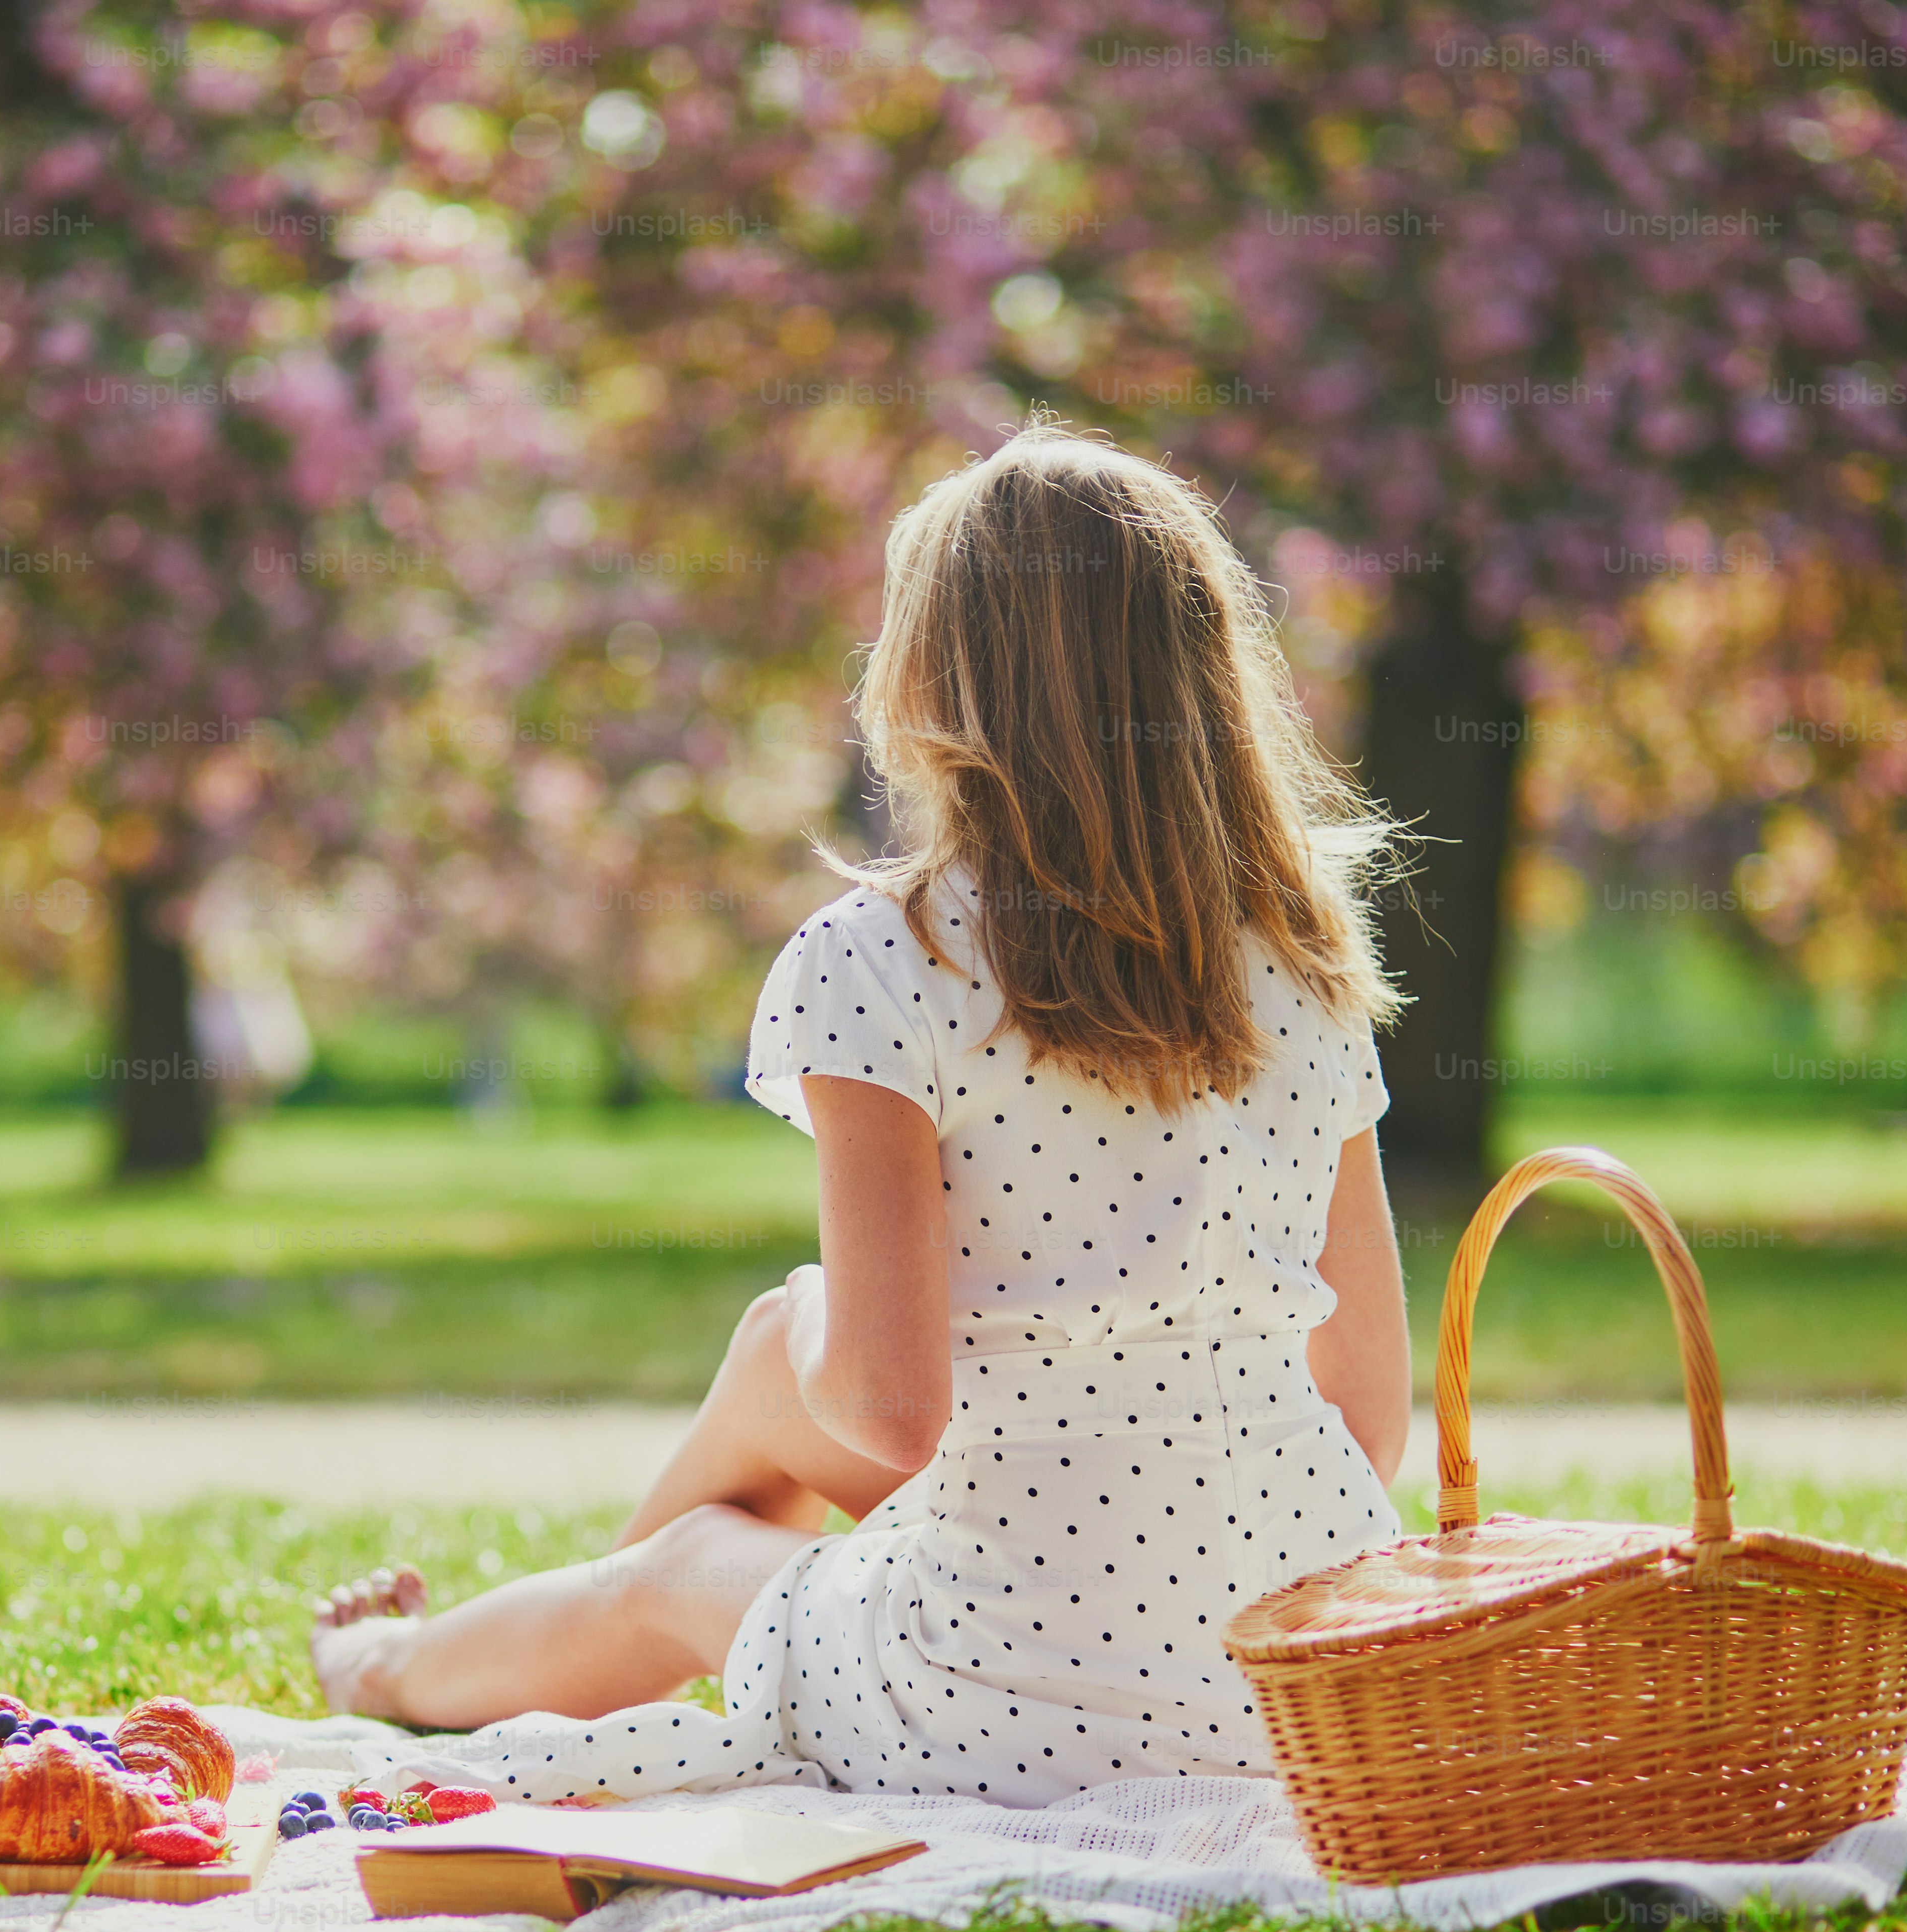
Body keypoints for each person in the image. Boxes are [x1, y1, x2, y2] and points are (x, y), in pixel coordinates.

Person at [310, 423, 1414, 1802]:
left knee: (696, 1536)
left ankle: (387, 1672)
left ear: (937, 677)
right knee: (790, 1371)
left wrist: (811, 1346)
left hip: (1002, 1707)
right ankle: (501, 1633)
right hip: (1310, 1691)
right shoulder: (1308, 959)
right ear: (1208, 674)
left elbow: (889, 1412)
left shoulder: (890, 957)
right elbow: (1367, 1413)